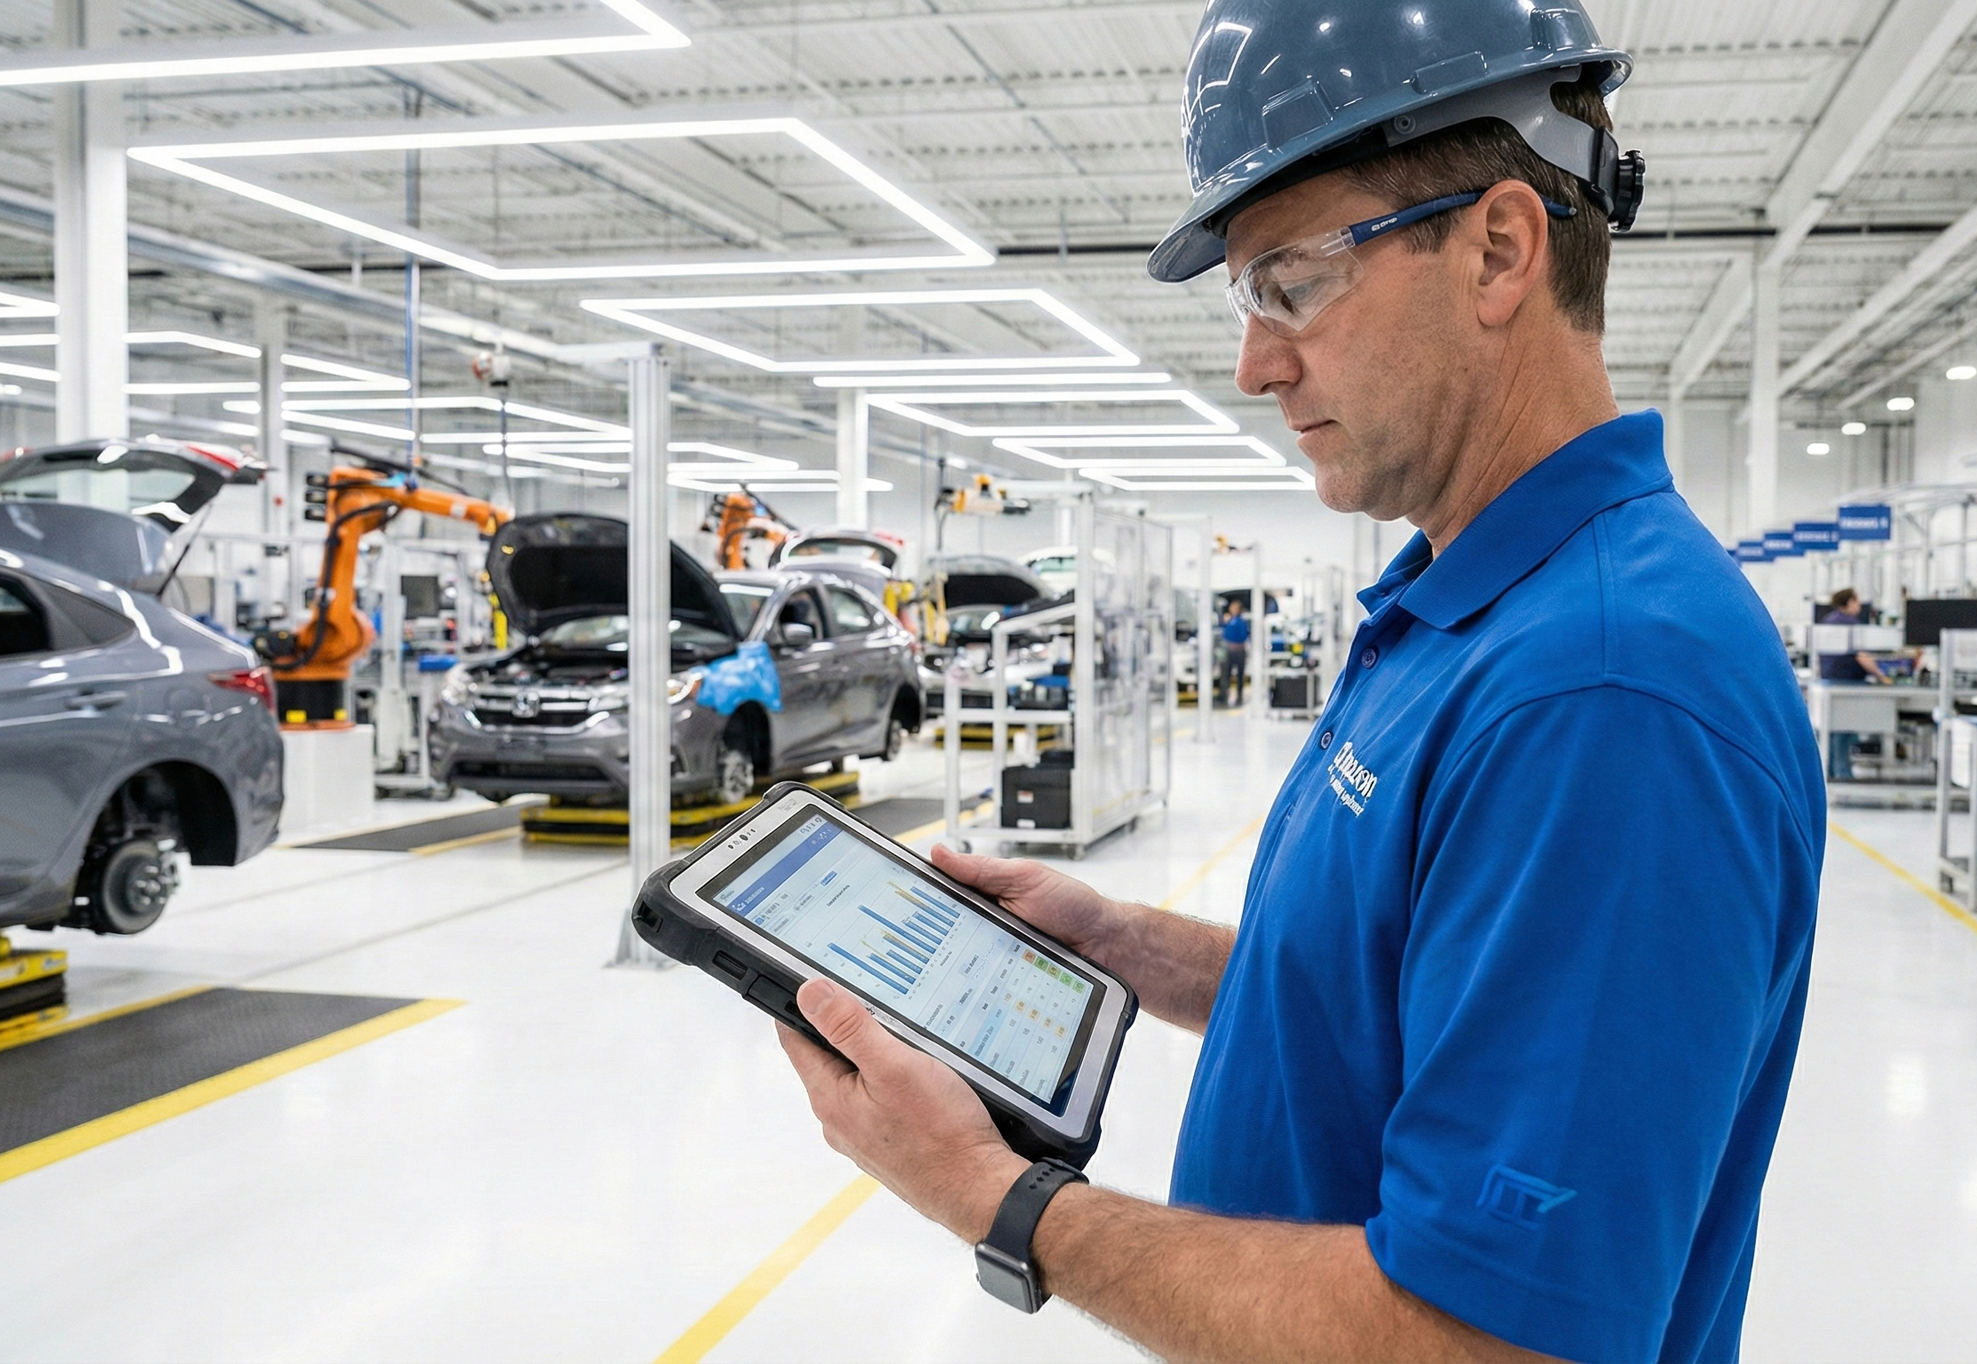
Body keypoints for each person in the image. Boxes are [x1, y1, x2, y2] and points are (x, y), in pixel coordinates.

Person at [770, 4, 1824, 1361]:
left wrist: (1000, 1201)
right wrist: (1126, 948)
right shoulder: (1463, 607)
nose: (1256, 363)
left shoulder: (1601, 693)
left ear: (1500, 248)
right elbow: (1396, 996)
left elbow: (1484, 1338)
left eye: (1294, 284)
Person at [1816, 587, 1888, 780]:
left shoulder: (1829, 620)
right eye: (1856, 601)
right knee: (1845, 729)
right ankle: (1843, 772)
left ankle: (1831, 769)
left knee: (1832, 730)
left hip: (1830, 679)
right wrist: (1882, 676)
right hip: (1846, 682)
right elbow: (1861, 655)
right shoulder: (1849, 623)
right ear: (1848, 602)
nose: (1859, 606)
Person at [1216, 597, 1250, 706]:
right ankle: (1224, 694)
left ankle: (1239, 695)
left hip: (1239, 650)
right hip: (1229, 650)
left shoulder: (1240, 621)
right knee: (1226, 674)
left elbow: (1244, 635)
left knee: (1239, 675)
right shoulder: (1229, 620)